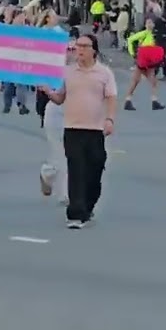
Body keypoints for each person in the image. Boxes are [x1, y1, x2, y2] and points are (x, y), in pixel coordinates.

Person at [44, 33, 116, 229]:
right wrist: (48, 92)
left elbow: (110, 98)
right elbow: (60, 98)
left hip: (95, 129)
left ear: (94, 50)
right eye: (77, 47)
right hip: (72, 128)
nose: (80, 50)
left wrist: (109, 119)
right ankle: (75, 213)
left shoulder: (104, 73)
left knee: (94, 169)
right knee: (76, 169)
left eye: (84, 46)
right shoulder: (68, 72)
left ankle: (88, 205)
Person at [40, 34, 80, 204]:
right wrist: (46, 90)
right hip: (55, 112)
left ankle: (53, 178)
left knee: (74, 153)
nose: (71, 52)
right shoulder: (53, 69)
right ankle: (61, 188)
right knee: (60, 153)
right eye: (68, 49)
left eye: (74, 49)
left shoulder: (83, 70)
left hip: (76, 114)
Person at [122, 19, 166, 111]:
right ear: (145, 25)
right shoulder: (144, 33)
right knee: (136, 81)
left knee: (151, 81)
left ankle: (153, 101)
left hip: (149, 61)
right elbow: (130, 39)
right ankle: (129, 101)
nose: (150, 24)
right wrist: (132, 53)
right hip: (143, 60)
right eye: (148, 23)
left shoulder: (154, 34)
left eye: (151, 22)